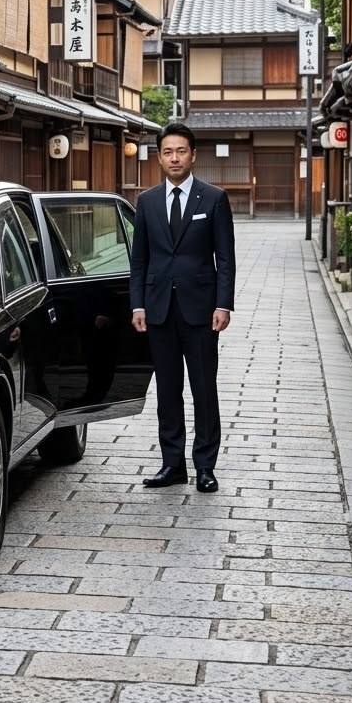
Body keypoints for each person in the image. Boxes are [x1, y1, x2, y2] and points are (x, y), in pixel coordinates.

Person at [130, 121, 235, 493]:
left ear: (193, 155)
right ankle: (172, 464)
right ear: (159, 157)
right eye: (167, 151)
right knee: (167, 391)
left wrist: (223, 304)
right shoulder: (147, 201)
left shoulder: (213, 198)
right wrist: (137, 305)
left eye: (181, 151)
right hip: (159, 311)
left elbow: (225, 257)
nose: (174, 158)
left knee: (204, 389)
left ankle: (205, 465)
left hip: (202, 311)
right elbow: (139, 261)